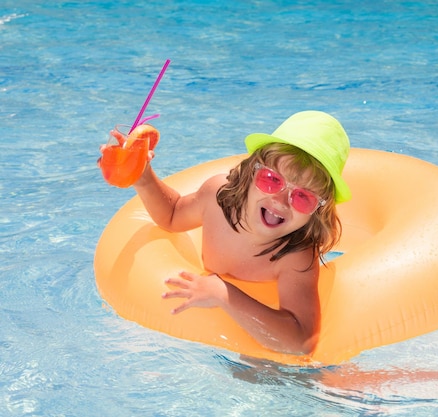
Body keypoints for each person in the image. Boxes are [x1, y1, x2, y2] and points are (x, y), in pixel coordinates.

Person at [113, 110, 351, 355]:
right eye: (271, 180)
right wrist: (142, 177)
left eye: (303, 197)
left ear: (318, 211)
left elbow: (301, 343)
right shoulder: (217, 199)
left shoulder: (295, 256)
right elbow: (172, 215)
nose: (280, 200)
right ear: (251, 172)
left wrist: (224, 294)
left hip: (258, 345)